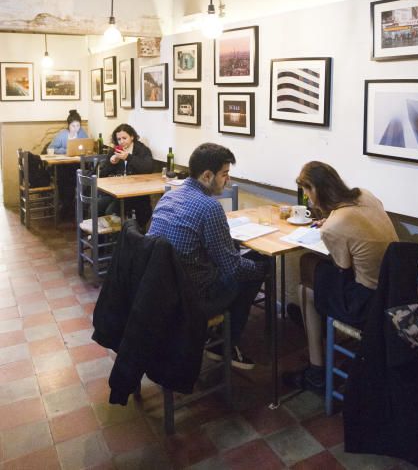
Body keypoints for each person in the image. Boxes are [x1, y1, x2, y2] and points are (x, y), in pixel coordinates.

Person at [146, 142, 266, 370]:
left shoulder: (169, 196)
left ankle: (218, 337)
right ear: (208, 175)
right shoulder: (209, 207)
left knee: (236, 263)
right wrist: (263, 270)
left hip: (158, 288)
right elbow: (233, 268)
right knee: (254, 267)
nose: (227, 181)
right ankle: (225, 345)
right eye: (224, 175)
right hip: (192, 295)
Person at [282, 161, 398, 392]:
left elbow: (342, 269)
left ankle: (316, 371)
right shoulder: (366, 195)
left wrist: (331, 228)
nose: (306, 197)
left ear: (316, 189)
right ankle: (314, 318)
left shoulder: (334, 226)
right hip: (393, 289)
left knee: (307, 289)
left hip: (367, 301)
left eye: (306, 190)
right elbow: (357, 224)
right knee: (309, 263)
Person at [98, 124, 154, 228]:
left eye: (124, 138)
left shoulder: (141, 149)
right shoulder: (115, 150)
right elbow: (102, 175)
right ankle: (102, 240)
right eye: (119, 139)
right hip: (116, 192)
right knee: (97, 206)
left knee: (111, 211)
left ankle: (121, 239)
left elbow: (148, 168)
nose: (121, 141)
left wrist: (128, 157)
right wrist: (111, 163)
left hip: (136, 193)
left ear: (132, 137)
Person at [49, 109, 88, 218]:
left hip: (77, 165)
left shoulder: (82, 133)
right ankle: (67, 205)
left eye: (78, 126)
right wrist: (65, 150)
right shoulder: (62, 135)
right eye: (73, 126)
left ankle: (71, 206)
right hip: (63, 166)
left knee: (76, 176)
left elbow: (87, 146)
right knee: (64, 179)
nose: (76, 128)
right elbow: (51, 148)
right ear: (68, 125)